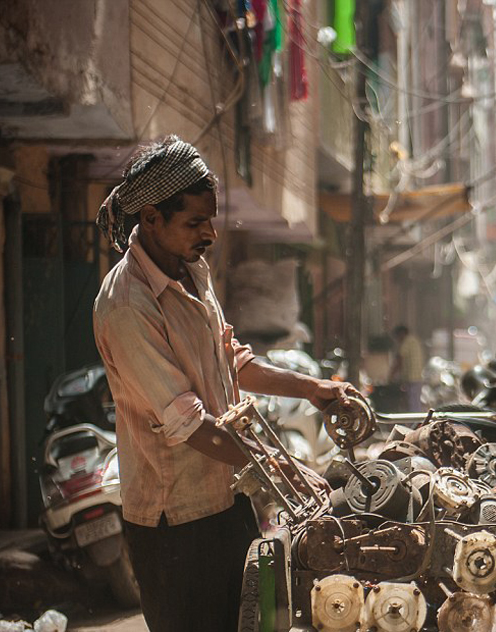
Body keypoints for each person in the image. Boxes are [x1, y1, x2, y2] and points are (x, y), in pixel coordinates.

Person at [93, 135, 358, 632]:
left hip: (228, 501)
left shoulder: (192, 270)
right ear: (150, 218)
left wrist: (313, 389)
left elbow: (230, 360)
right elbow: (187, 423)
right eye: (195, 222)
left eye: (210, 219)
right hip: (176, 526)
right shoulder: (127, 304)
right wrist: (281, 466)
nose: (210, 233)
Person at [391, 324, 425, 411]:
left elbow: (399, 359)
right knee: (415, 402)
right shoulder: (414, 340)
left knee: (412, 404)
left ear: (402, 333)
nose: (397, 340)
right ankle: (415, 422)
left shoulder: (407, 342)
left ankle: (415, 423)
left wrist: (391, 375)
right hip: (417, 377)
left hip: (412, 378)